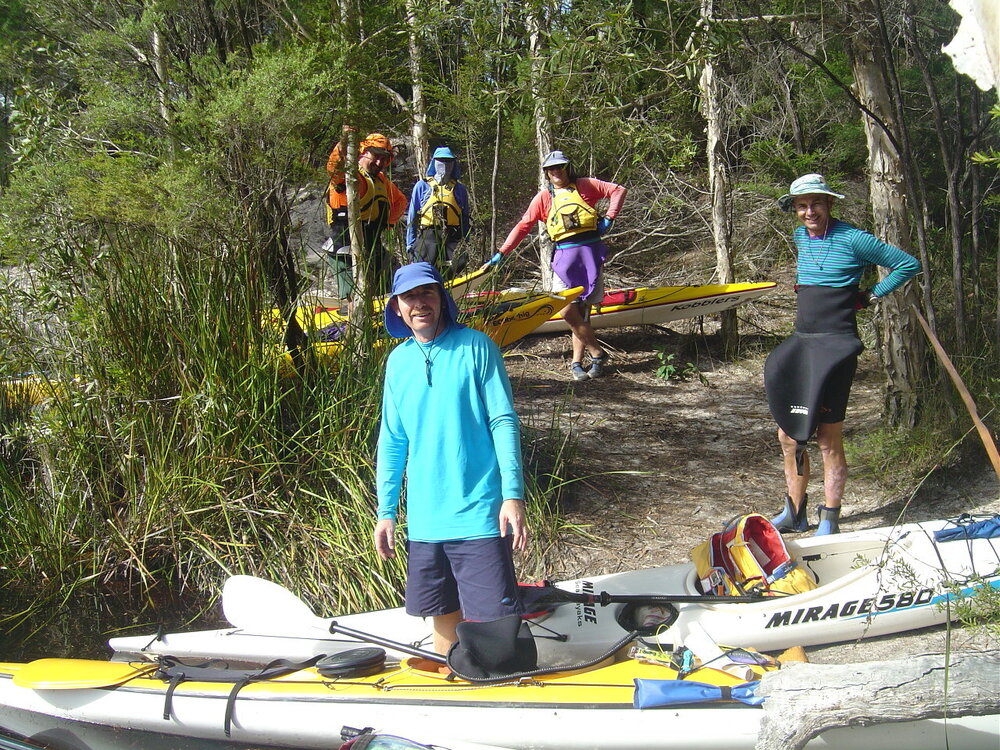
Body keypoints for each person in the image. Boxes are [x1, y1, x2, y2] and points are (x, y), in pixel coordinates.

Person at [374, 261, 529, 655]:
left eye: (427, 292)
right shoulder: (397, 362)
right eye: (408, 296)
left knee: (495, 624)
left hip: (479, 514)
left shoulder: (477, 347)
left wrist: (513, 494)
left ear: (441, 298)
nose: (419, 303)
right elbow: (393, 440)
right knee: (442, 615)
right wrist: (386, 510)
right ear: (397, 308)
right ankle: (451, 680)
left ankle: (502, 684)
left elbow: (503, 422)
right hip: (426, 521)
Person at [765, 174, 920, 536]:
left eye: (816, 203)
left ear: (829, 204)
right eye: (802, 205)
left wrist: (870, 295)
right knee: (789, 435)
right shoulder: (800, 235)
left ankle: (830, 519)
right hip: (803, 342)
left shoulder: (853, 237)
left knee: (827, 438)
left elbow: (907, 264)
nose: (809, 212)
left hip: (836, 345)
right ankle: (794, 511)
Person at [488, 150, 626, 381]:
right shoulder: (544, 197)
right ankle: (598, 352)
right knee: (565, 309)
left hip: (589, 254)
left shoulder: (585, 185)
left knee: (582, 314)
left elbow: (618, 190)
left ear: (567, 167)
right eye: (552, 168)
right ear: (546, 173)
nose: (557, 171)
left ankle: (577, 363)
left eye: (560, 167)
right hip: (564, 257)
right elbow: (523, 226)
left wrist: (609, 218)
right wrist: (502, 252)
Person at [326, 132, 408, 296]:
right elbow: (334, 168)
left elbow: (400, 201)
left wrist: (388, 223)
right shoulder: (351, 176)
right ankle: (352, 315)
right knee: (355, 296)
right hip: (345, 246)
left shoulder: (382, 181)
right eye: (376, 155)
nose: (379, 162)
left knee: (396, 281)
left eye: (384, 158)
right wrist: (344, 140)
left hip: (373, 245)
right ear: (363, 151)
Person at [406, 146, 472, 275]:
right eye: (441, 161)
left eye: (448, 161)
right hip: (429, 236)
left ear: (454, 164)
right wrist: (410, 243)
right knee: (424, 267)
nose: (445, 165)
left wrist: (466, 241)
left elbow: (464, 217)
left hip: (453, 236)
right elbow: (412, 217)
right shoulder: (422, 186)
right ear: (434, 163)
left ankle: (450, 288)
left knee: (458, 264)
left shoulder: (459, 189)